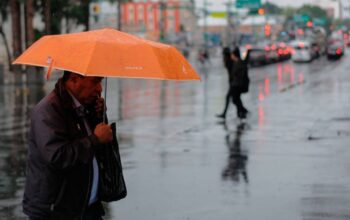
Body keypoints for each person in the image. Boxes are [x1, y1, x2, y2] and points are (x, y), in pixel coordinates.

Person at [23, 71, 122, 220]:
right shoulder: (48, 111)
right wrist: (95, 139)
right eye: (95, 81)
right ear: (74, 80)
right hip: (55, 212)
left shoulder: (83, 106)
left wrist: (97, 117)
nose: (99, 89)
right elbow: (58, 156)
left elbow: (95, 152)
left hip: (86, 208)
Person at [230, 47, 249, 119]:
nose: (231, 56)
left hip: (238, 85)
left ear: (235, 55)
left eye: (232, 55)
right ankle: (240, 113)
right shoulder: (236, 62)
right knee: (237, 99)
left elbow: (241, 75)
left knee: (235, 99)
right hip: (236, 84)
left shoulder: (240, 63)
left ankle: (243, 111)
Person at [216, 47, 234, 119]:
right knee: (236, 99)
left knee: (229, 98)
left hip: (234, 82)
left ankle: (224, 114)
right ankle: (243, 111)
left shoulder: (229, 61)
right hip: (232, 82)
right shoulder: (229, 60)